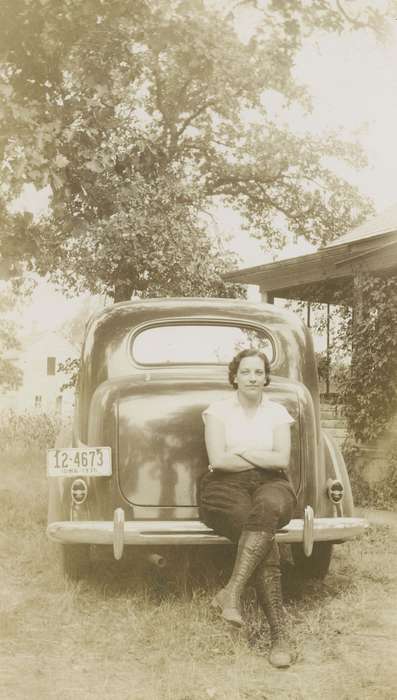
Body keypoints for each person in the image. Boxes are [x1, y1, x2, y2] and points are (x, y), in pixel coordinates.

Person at [199, 348, 297, 668]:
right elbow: (219, 460)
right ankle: (279, 634)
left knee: (267, 508)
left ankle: (232, 591)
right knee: (260, 530)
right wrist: (257, 452)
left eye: (258, 372)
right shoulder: (217, 412)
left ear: (266, 377)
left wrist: (239, 448)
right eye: (246, 372)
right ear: (235, 377)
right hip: (224, 485)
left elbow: (281, 459)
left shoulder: (277, 413)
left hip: (272, 482)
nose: (253, 377)